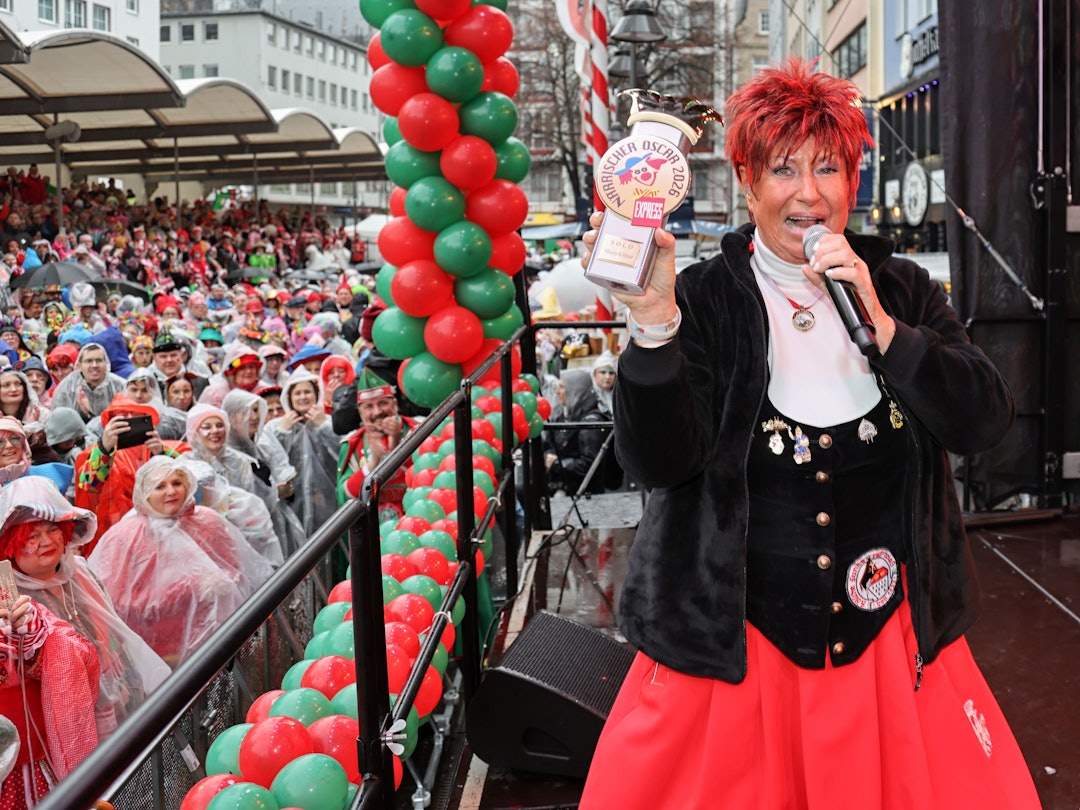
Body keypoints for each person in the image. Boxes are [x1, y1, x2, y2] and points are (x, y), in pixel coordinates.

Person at [577, 61, 1041, 809]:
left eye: (829, 167)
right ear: (747, 180)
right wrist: (655, 326)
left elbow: (984, 420)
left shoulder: (900, 288)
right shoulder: (703, 296)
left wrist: (887, 331)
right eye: (784, 169)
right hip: (736, 651)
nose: (809, 193)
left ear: (853, 180)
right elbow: (656, 463)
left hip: (888, 646)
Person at [0, 477, 171, 741]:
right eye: (31, 536)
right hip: (64, 718)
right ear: (10, 544)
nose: (46, 541)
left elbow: (110, 629)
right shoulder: (9, 596)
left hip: (118, 690)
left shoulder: (80, 570)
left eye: (52, 529)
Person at [88, 455, 274, 667]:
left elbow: (236, 571)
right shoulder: (124, 537)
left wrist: (221, 583)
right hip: (155, 656)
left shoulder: (208, 521)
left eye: (177, 483)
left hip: (217, 645)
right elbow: (115, 604)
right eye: (159, 486)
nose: (171, 491)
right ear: (144, 494)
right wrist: (188, 589)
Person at [336, 369, 418, 520]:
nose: (377, 412)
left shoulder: (419, 430)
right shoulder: (352, 445)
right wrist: (371, 465)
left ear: (395, 404)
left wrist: (398, 445)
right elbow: (343, 498)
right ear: (360, 412)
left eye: (383, 403)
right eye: (368, 407)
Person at [268, 369, 340, 535]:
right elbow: (270, 457)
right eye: (297, 393)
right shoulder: (275, 426)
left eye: (307, 392)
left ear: (316, 394)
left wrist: (324, 427)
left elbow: (342, 452)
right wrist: (282, 432)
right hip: (292, 502)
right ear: (289, 398)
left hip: (327, 499)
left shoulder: (329, 421)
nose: (303, 397)